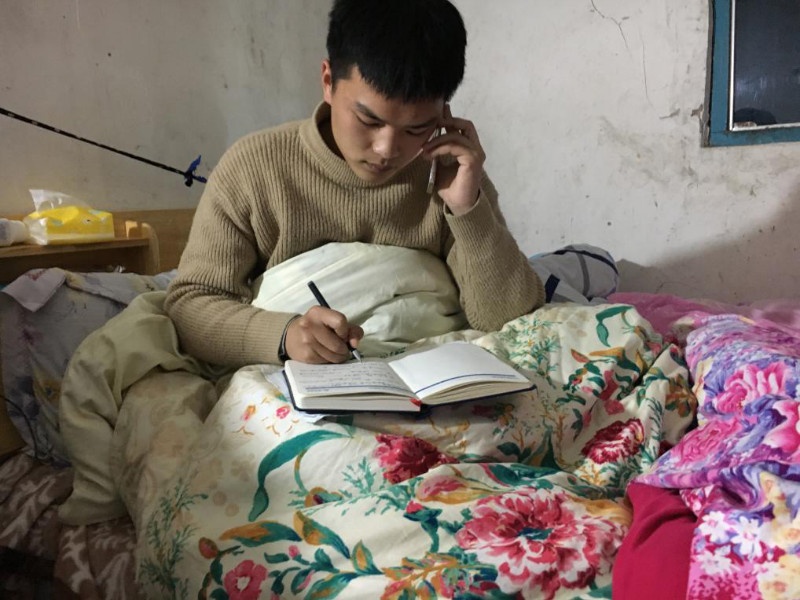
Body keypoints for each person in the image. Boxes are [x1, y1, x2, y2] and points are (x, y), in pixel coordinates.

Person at [165, 0, 544, 367]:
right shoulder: (253, 168)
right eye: (369, 121)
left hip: (428, 378)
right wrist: (284, 336)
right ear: (328, 81)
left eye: (417, 129)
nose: (387, 149)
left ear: (444, 113)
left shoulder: (449, 173)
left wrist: (467, 209)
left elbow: (508, 320)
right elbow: (191, 306)